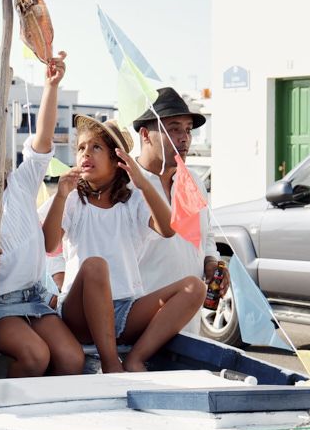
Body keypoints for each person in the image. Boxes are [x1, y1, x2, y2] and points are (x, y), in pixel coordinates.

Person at [0, 52, 82, 378]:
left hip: (35, 297)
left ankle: (55, 415)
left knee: (72, 358)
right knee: (36, 356)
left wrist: (51, 86)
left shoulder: (21, 185)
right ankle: (8, 409)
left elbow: (42, 138)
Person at [42, 116, 205, 373]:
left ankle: (136, 358)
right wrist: (60, 196)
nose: (86, 154)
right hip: (79, 313)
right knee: (95, 266)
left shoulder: (134, 199)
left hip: (125, 309)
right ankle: (110, 364)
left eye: (96, 147)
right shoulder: (73, 199)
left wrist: (142, 182)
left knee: (194, 287)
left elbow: (168, 230)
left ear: (117, 161)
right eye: (81, 147)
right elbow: (49, 245)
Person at [132, 88, 211, 334]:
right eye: (174, 129)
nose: (184, 138)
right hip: (137, 326)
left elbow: (207, 239)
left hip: (189, 328)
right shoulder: (123, 185)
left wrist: (212, 262)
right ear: (145, 135)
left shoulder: (193, 181)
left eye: (188, 130)